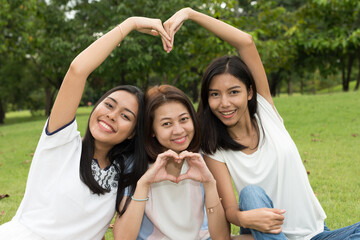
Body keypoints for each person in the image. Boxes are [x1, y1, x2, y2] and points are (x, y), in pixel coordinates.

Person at [163, 7, 360, 240]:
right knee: (251, 195)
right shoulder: (214, 148)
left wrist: (190, 14)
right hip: (269, 233)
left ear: (249, 92)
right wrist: (243, 219)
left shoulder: (266, 112)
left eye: (233, 92)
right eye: (214, 94)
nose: (224, 103)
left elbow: (246, 42)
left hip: (317, 234)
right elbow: (231, 210)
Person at [0, 16, 172, 240]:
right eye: (109, 105)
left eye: (125, 116)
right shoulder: (61, 143)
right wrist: (129, 24)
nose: (111, 115)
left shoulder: (125, 171)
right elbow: (77, 70)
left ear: (132, 132)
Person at [113, 85, 252, 240]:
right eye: (166, 124)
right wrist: (144, 184)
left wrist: (209, 184)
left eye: (184, 119)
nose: (179, 130)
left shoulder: (202, 158)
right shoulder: (135, 164)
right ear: (151, 130)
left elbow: (221, 237)